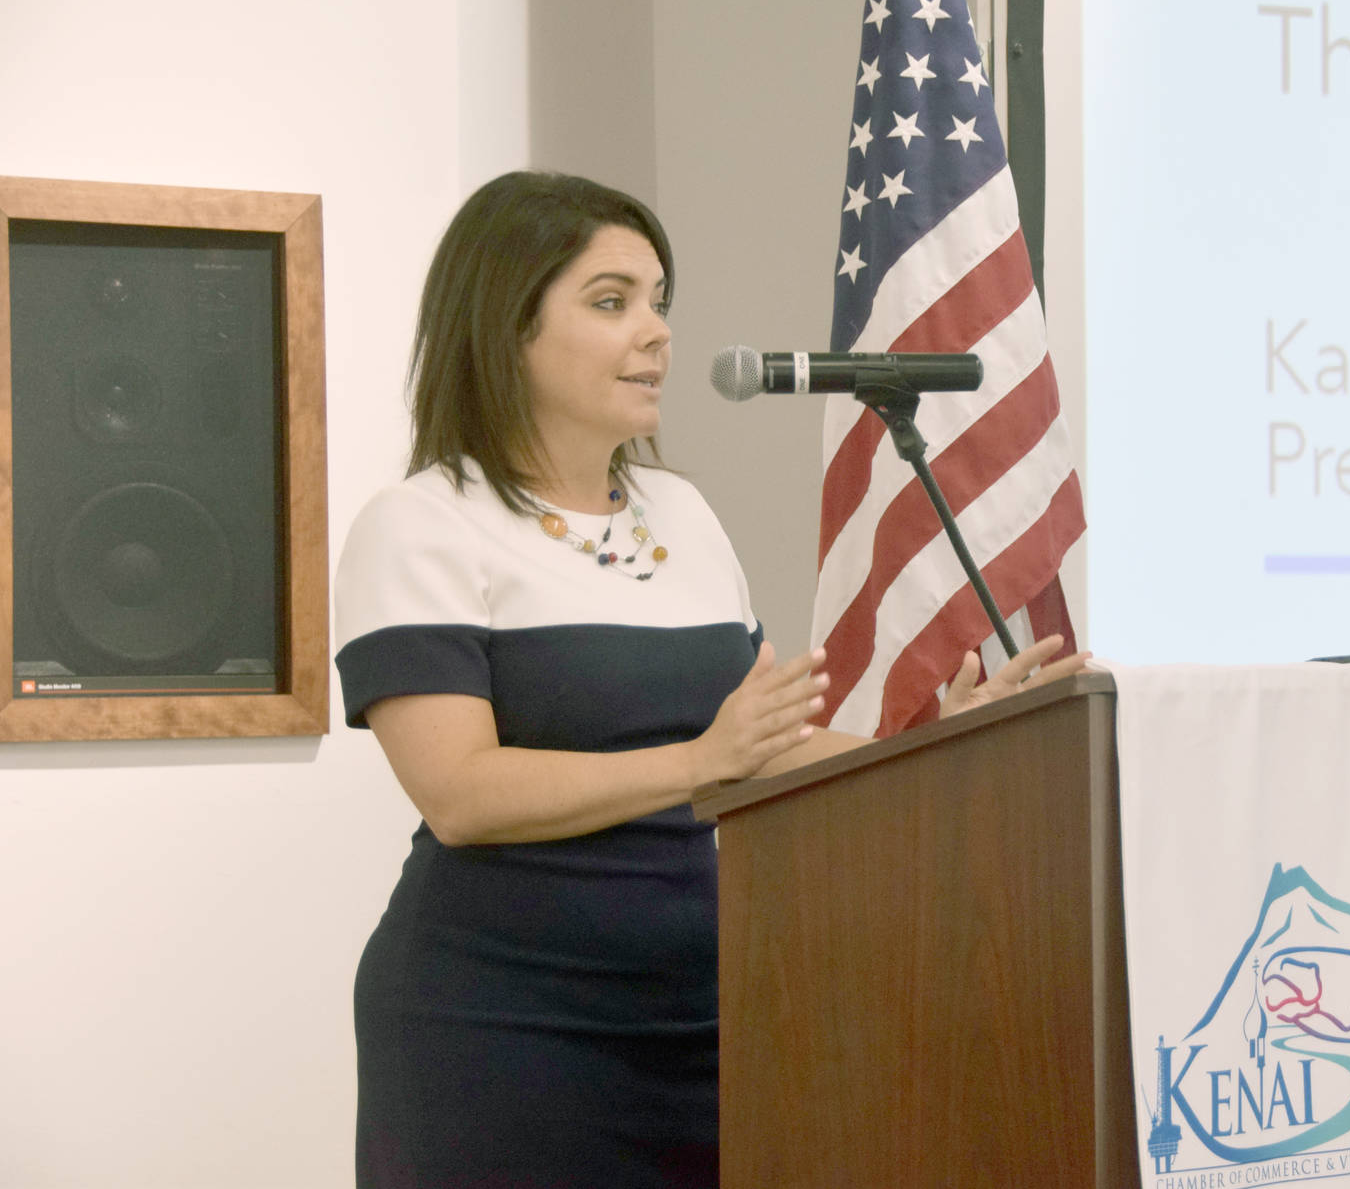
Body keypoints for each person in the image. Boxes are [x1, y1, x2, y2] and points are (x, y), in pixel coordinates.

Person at [333, 171, 1085, 1188]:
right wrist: (697, 762)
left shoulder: (678, 512)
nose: (655, 333)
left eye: (658, 302)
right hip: (503, 1027)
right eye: (611, 302)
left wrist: (934, 746)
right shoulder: (422, 522)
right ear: (503, 325)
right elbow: (460, 791)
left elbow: (758, 738)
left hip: (712, 1021)